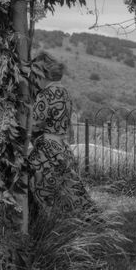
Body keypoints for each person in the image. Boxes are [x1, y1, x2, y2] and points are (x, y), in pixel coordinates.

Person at [28, 52, 94, 216]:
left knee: (43, 190)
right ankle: (78, 223)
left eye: (34, 75)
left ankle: (50, 227)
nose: (33, 79)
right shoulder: (64, 91)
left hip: (47, 150)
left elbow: (35, 124)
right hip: (62, 146)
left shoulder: (45, 94)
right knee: (69, 191)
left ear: (41, 74)